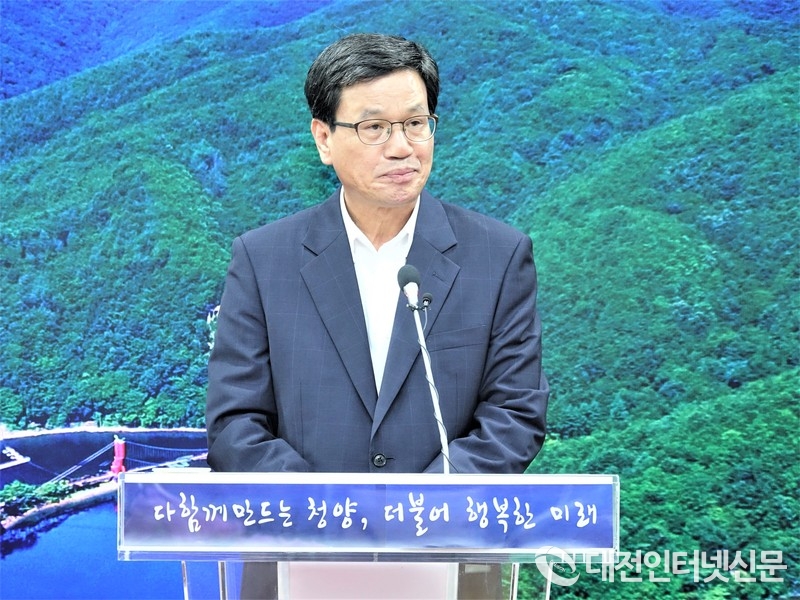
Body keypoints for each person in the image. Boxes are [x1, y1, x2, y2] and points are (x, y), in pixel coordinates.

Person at [205, 32, 549, 597]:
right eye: (374, 128)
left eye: (416, 123)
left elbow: (515, 413)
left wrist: (420, 512)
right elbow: (234, 423)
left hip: (447, 562)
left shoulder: (499, 255)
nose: (401, 147)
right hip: (301, 561)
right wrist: (328, 515)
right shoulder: (263, 259)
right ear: (324, 138)